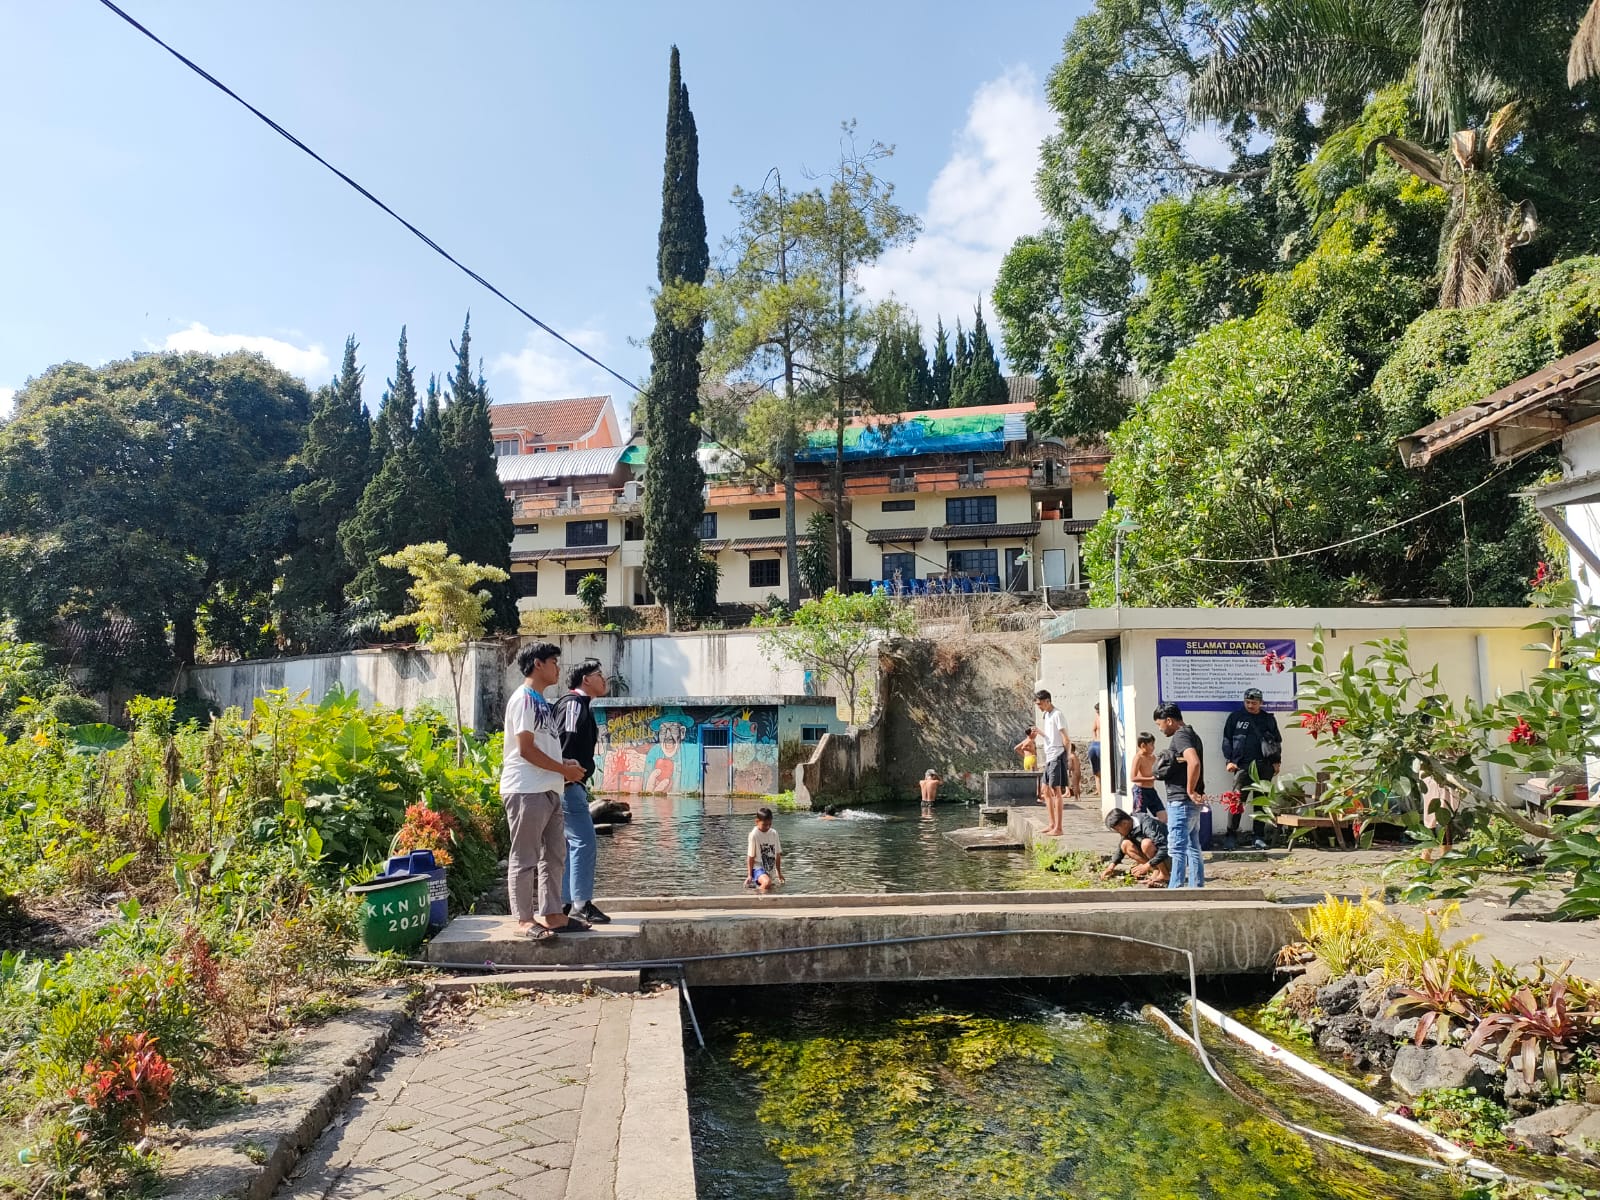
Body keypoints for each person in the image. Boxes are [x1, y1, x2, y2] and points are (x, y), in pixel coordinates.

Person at [501, 643, 590, 941]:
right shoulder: (525, 699)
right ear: (538, 664)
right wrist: (564, 771)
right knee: (524, 856)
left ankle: (553, 914)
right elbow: (525, 749)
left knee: (554, 854)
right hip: (526, 788)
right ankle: (524, 919)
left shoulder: (542, 701)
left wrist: (564, 764)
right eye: (553, 661)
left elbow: (542, 746)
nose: (558, 667)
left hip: (550, 789)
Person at [553, 658, 610, 926]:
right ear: (585, 679)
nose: (604, 679)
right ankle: (581, 904)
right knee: (584, 842)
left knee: (569, 845)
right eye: (599, 674)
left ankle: (565, 902)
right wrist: (566, 774)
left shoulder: (577, 704)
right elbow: (567, 737)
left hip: (566, 784)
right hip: (569, 785)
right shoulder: (574, 704)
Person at [1221, 687, 1282, 850]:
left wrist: (1277, 762)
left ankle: (1258, 836)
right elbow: (1227, 739)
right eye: (1247, 702)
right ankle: (1231, 836)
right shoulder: (1235, 717)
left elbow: (1276, 741)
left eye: (1253, 703)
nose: (1250, 705)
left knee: (1261, 803)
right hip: (1242, 766)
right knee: (1237, 801)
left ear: (1260, 703)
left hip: (1264, 766)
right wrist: (1229, 760)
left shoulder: (1268, 719)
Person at [1154, 702, 1206, 889]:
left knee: (1176, 848)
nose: (1159, 729)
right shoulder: (1192, 734)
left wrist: (1190, 790)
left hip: (1182, 801)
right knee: (1192, 846)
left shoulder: (1181, 735)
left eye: (1159, 724)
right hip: (1190, 802)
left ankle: (1175, 889)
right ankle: (1196, 887)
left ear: (1169, 720)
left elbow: (1194, 762)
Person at [1101, 807, 1170, 885]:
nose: (1118, 832)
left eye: (1118, 829)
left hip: (1169, 857)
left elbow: (1164, 848)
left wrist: (1146, 866)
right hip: (1156, 860)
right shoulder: (1129, 827)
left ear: (1124, 823)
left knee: (1146, 844)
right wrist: (1110, 867)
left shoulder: (1148, 825)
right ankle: (1156, 871)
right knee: (1125, 844)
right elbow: (1120, 849)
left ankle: (1165, 875)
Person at [1033, 689, 1069, 835]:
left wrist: (1067, 758)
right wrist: (1040, 733)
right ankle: (1051, 823)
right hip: (1049, 756)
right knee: (1045, 790)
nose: (1039, 707)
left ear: (1047, 701)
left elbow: (1065, 737)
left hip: (1057, 755)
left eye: (1040, 704)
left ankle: (1059, 828)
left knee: (1056, 790)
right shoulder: (1047, 715)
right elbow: (1051, 736)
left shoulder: (1057, 715)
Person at [746, 806, 784, 892]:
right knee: (767, 883)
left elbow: (777, 854)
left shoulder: (774, 833)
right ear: (757, 821)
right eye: (764, 825)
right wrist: (749, 875)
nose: (767, 827)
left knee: (769, 889)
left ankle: (755, 892)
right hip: (757, 868)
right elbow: (750, 857)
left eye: (769, 824)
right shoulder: (754, 835)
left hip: (769, 867)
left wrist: (779, 872)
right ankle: (752, 897)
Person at [1130, 731, 1165, 821]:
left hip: (1151, 791)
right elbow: (1133, 777)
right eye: (1151, 745)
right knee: (1140, 818)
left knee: (1163, 817)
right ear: (1143, 745)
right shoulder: (1138, 758)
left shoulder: (1152, 757)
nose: (1153, 748)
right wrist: (1151, 778)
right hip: (1140, 791)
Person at [1088, 703, 1102, 789]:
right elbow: (1093, 730)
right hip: (1098, 744)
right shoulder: (1103, 717)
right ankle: (1102, 795)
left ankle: (1100, 795)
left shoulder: (1097, 717)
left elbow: (1093, 730)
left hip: (1095, 744)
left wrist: (1095, 739)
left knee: (1097, 773)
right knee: (1099, 773)